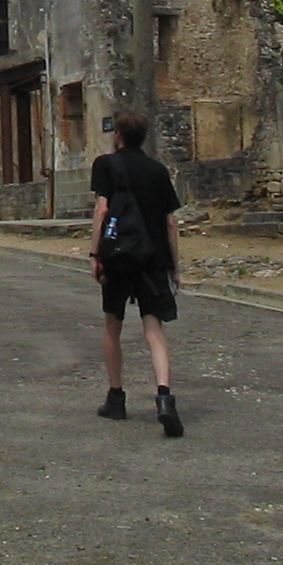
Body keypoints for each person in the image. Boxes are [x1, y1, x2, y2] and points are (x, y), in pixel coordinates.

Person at [88, 111, 185, 437]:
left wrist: (94, 253)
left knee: (112, 325)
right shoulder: (157, 171)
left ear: (118, 135)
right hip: (153, 256)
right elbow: (171, 222)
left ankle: (116, 396)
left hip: (119, 256)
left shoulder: (106, 164)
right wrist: (175, 266)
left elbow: (102, 209)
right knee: (153, 328)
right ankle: (164, 397)